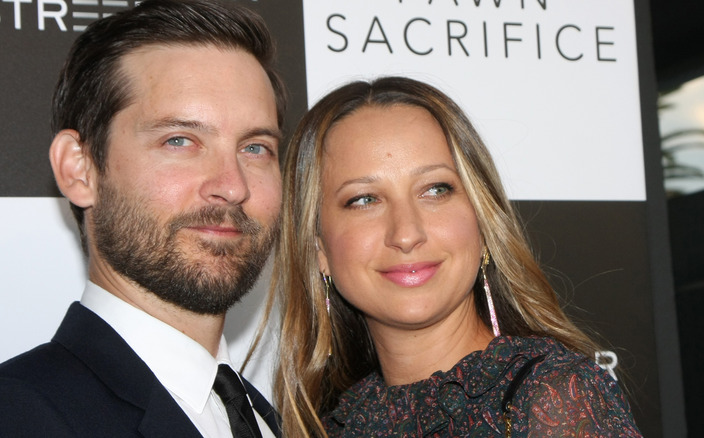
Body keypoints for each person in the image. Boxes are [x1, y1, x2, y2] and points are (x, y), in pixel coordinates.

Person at [0, 1, 285, 436]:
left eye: (255, 148)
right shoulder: (13, 416)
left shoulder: (268, 418)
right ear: (80, 169)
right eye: (179, 140)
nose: (233, 186)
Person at [270, 77, 643, 437]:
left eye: (435, 190)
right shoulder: (328, 426)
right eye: (364, 199)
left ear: (482, 222)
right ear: (318, 248)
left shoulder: (554, 398)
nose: (406, 234)